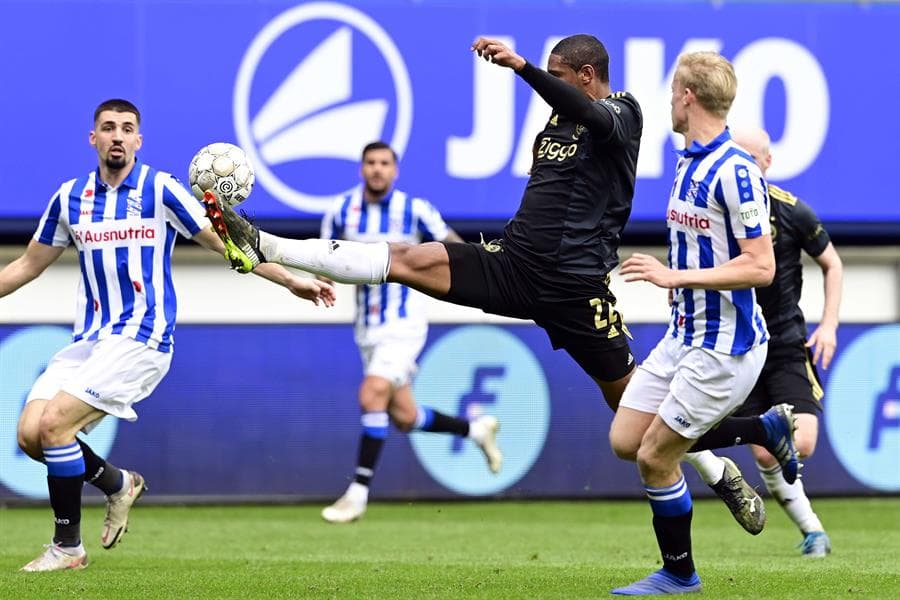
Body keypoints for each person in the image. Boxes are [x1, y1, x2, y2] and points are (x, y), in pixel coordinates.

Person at [203, 35, 795, 526]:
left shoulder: (622, 113)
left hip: (576, 290)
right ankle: (266, 242)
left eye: (563, 78)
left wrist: (524, 67)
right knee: (411, 260)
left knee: (633, 422)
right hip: (513, 266)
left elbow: (588, 111)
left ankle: (737, 449)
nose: (554, 90)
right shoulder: (551, 131)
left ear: (586, 76)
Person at [1, 99, 335, 572]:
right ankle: (118, 483)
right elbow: (26, 265)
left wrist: (291, 280)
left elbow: (227, 245)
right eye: (108, 128)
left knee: (56, 425)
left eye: (127, 128)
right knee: (32, 436)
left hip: (143, 337)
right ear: (92, 138)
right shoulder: (69, 198)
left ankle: (68, 548)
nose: (118, 136)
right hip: (90, 339)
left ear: (139, 140)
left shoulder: (160, 189)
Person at [607, 52, 795, 595]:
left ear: (688, 96)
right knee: (626, 438)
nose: (669, 99)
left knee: (653, 457)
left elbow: (762, 266)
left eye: (672, 90)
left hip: (725, 347)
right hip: (684, 336)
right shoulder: (687, 159)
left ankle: (680, 573)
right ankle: (761, 428)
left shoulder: (735, 171)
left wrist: (675, 277)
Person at [318, 141, 502, 523]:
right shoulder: (339, 211)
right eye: (370, 162)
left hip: (405, 323)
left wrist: (488, 282)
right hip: (366, 326)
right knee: (403, 415)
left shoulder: (415, 210)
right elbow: (325, 258)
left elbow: (453, 248)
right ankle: (476, 430)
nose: (377, 169)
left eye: (385, 163)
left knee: (371, 393)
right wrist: (320, 278)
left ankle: (357, 494)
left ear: (395, 170)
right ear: (361, 168)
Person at [688, 127, 842, 558]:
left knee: (802, 441)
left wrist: (828, 324)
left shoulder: (791, 211)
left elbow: (832, 264)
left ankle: (810, 529)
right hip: (737, 344)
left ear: (767, 164)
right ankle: (814, 533)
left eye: (752, 161)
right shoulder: (716, 211)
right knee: (764, 449)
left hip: (788, 344)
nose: (744, 170)